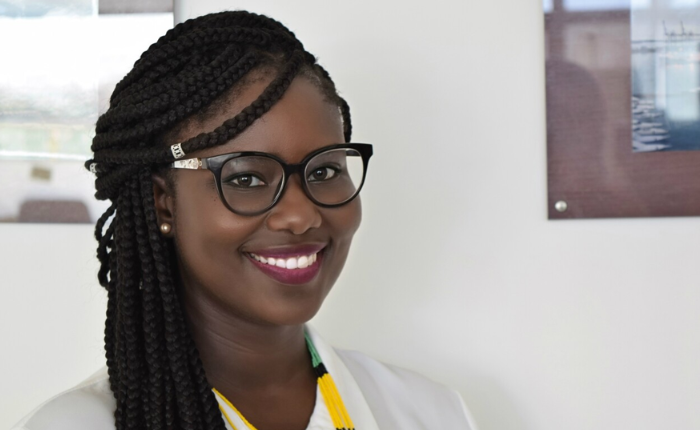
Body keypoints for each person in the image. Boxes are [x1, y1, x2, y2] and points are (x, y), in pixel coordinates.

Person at [12, 10, 478, 430]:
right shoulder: (80, 425)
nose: (300, 215)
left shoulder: (431, 413)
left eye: (325, 171)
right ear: (163, 204)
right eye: (248, 179)